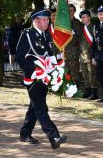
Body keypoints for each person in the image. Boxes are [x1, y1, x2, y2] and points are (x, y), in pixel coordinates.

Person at [15, 8, 66, 149]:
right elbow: (19, 57)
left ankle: (24, 133)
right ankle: (54, 136)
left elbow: (48, 56)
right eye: (44, 19)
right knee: (41, 108)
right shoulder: (27, 35)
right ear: (36, 21)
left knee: (35, 107)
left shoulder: (47, 35)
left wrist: (57, 66)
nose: (47, 21)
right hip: (33, 78)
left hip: (44, 78)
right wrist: (35, 70)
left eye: (47, 19)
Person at [79, 10, 98, 100]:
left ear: (89, 17)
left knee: (92, 74)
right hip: (83, 55)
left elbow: (95, 42)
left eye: (84, 17)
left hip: (90, 55)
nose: (82, 19)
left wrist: (94, 55)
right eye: (82, 17)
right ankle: (88, 91)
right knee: (85, 74)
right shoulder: (82, 28)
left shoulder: (94, 27)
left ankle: (94, 93)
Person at [65, 4, 82, 83]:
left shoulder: (77, 22)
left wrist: (72, 32)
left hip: (74, 50)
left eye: (71, 10)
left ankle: (76, 87)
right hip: (65, 51)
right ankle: (67, 87)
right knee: (66, 71)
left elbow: (79, 36)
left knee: (74, 71)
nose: (69, 12)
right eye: (68, 10)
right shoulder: (63, 23)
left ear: (74, 11)